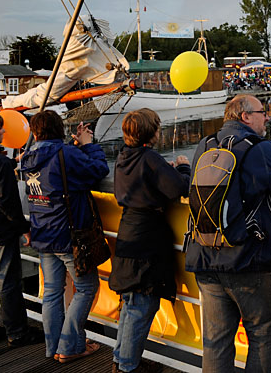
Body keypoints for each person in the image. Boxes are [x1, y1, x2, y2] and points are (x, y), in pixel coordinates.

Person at [185, 95, 271, 373]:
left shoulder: (205, 144)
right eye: (263, 112)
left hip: (205, 255)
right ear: (245, 116)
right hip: (248, 259)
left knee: (215, 341)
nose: (268, 117)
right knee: (263, 334)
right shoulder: (260, 148)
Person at [21, 111, 108, 362]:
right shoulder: (66, 155)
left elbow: (55, 167)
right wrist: (89, 145)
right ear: (60, 128)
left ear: (35, 133)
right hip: (68, 235)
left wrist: (76, 146)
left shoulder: (28, 157)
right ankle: (69, 347)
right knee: (86, 288)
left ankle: (54, 347)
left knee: (51, 292)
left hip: (43, 232)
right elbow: (98, 169)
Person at [109, 109, 191, 373]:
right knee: (141, 305)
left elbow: (145, 180)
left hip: (127, 233)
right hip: (146, 239)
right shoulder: (150, 158)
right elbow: (179, 188)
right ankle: (128, 367)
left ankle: (121, 358)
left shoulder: (124, 156)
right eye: (157, 127)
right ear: (151, 133)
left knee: (131, 301)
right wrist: (183, 167)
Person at [0, 110, 43, 348]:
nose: (4, 131)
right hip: (1, 231)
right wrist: (24, 228)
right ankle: (16, 332)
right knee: (8, 279)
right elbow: (7, 202)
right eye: (0, 128)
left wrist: (11, 162)